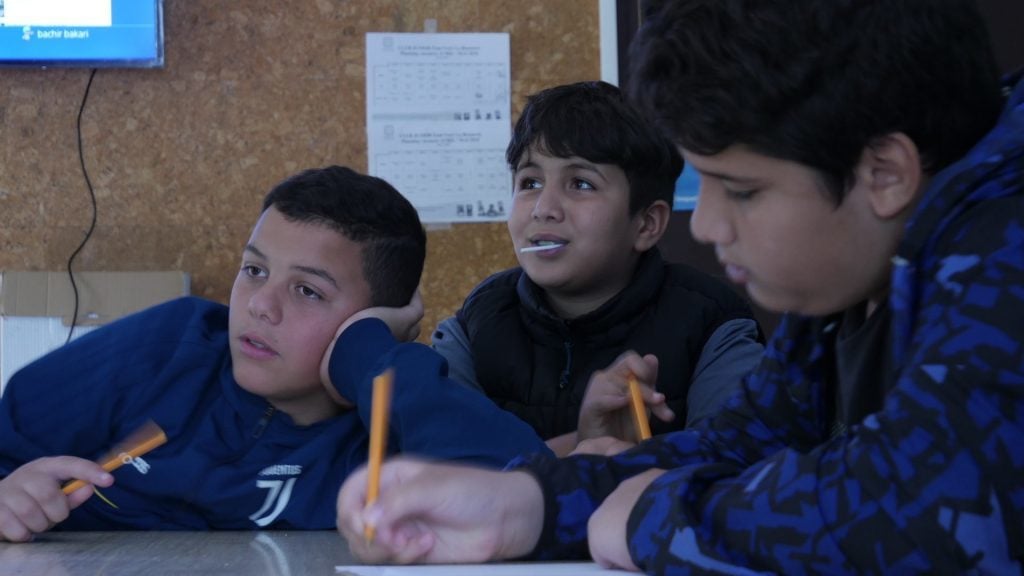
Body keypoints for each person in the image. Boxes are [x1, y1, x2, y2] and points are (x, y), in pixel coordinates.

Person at [335, 0, 1024, 572]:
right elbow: (748, 438)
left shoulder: (1007, 241)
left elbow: (927, 513)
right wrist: (524, 503)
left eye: (742, 190)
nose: (714, 225)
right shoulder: (848, 275)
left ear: (884, 173)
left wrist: (651, 517)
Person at [0, 165, 549, 542]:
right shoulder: (170, 345)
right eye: (254, 270)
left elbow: (527, 489)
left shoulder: (389, 426)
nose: (260, 305)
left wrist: (367, 355)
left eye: (308, 291)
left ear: (375, 321)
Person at [432, 81, 764, 455]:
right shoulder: (472, 328)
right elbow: (446, 478)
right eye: (530, 182)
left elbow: (741, 475)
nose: (544, 207)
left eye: (581, 183)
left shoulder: (714, 327)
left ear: (646, 224)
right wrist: (581, 445)